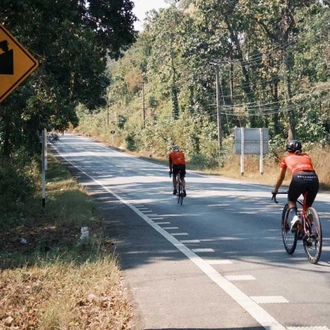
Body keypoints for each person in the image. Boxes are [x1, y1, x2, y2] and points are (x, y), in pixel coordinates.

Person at [272, 139, 319, 232]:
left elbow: (281, 177)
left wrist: (276, 190)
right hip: (314, 178)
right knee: (308, 205)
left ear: (288, 150)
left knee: (291, 200)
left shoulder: (286, 159)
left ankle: (294, 218)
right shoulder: (307, 156)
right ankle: (310, 232)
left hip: (298, 178)